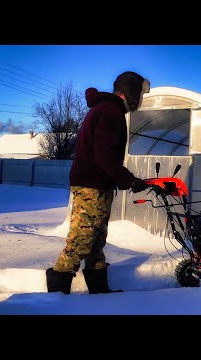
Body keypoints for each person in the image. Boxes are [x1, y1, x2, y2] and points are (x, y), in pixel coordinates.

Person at [46, 71, 151, 295]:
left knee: (95, 240)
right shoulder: (111, 111)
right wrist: (130, 180)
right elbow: (104, 157)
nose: (141, 99)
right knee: (82, 238)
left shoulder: (106, 108)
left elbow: (104, 156)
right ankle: (57, 294)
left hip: (97, 184)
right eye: (140, 93)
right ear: (131, 92)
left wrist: (121, 180)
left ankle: (99, 290)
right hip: (91, 185)